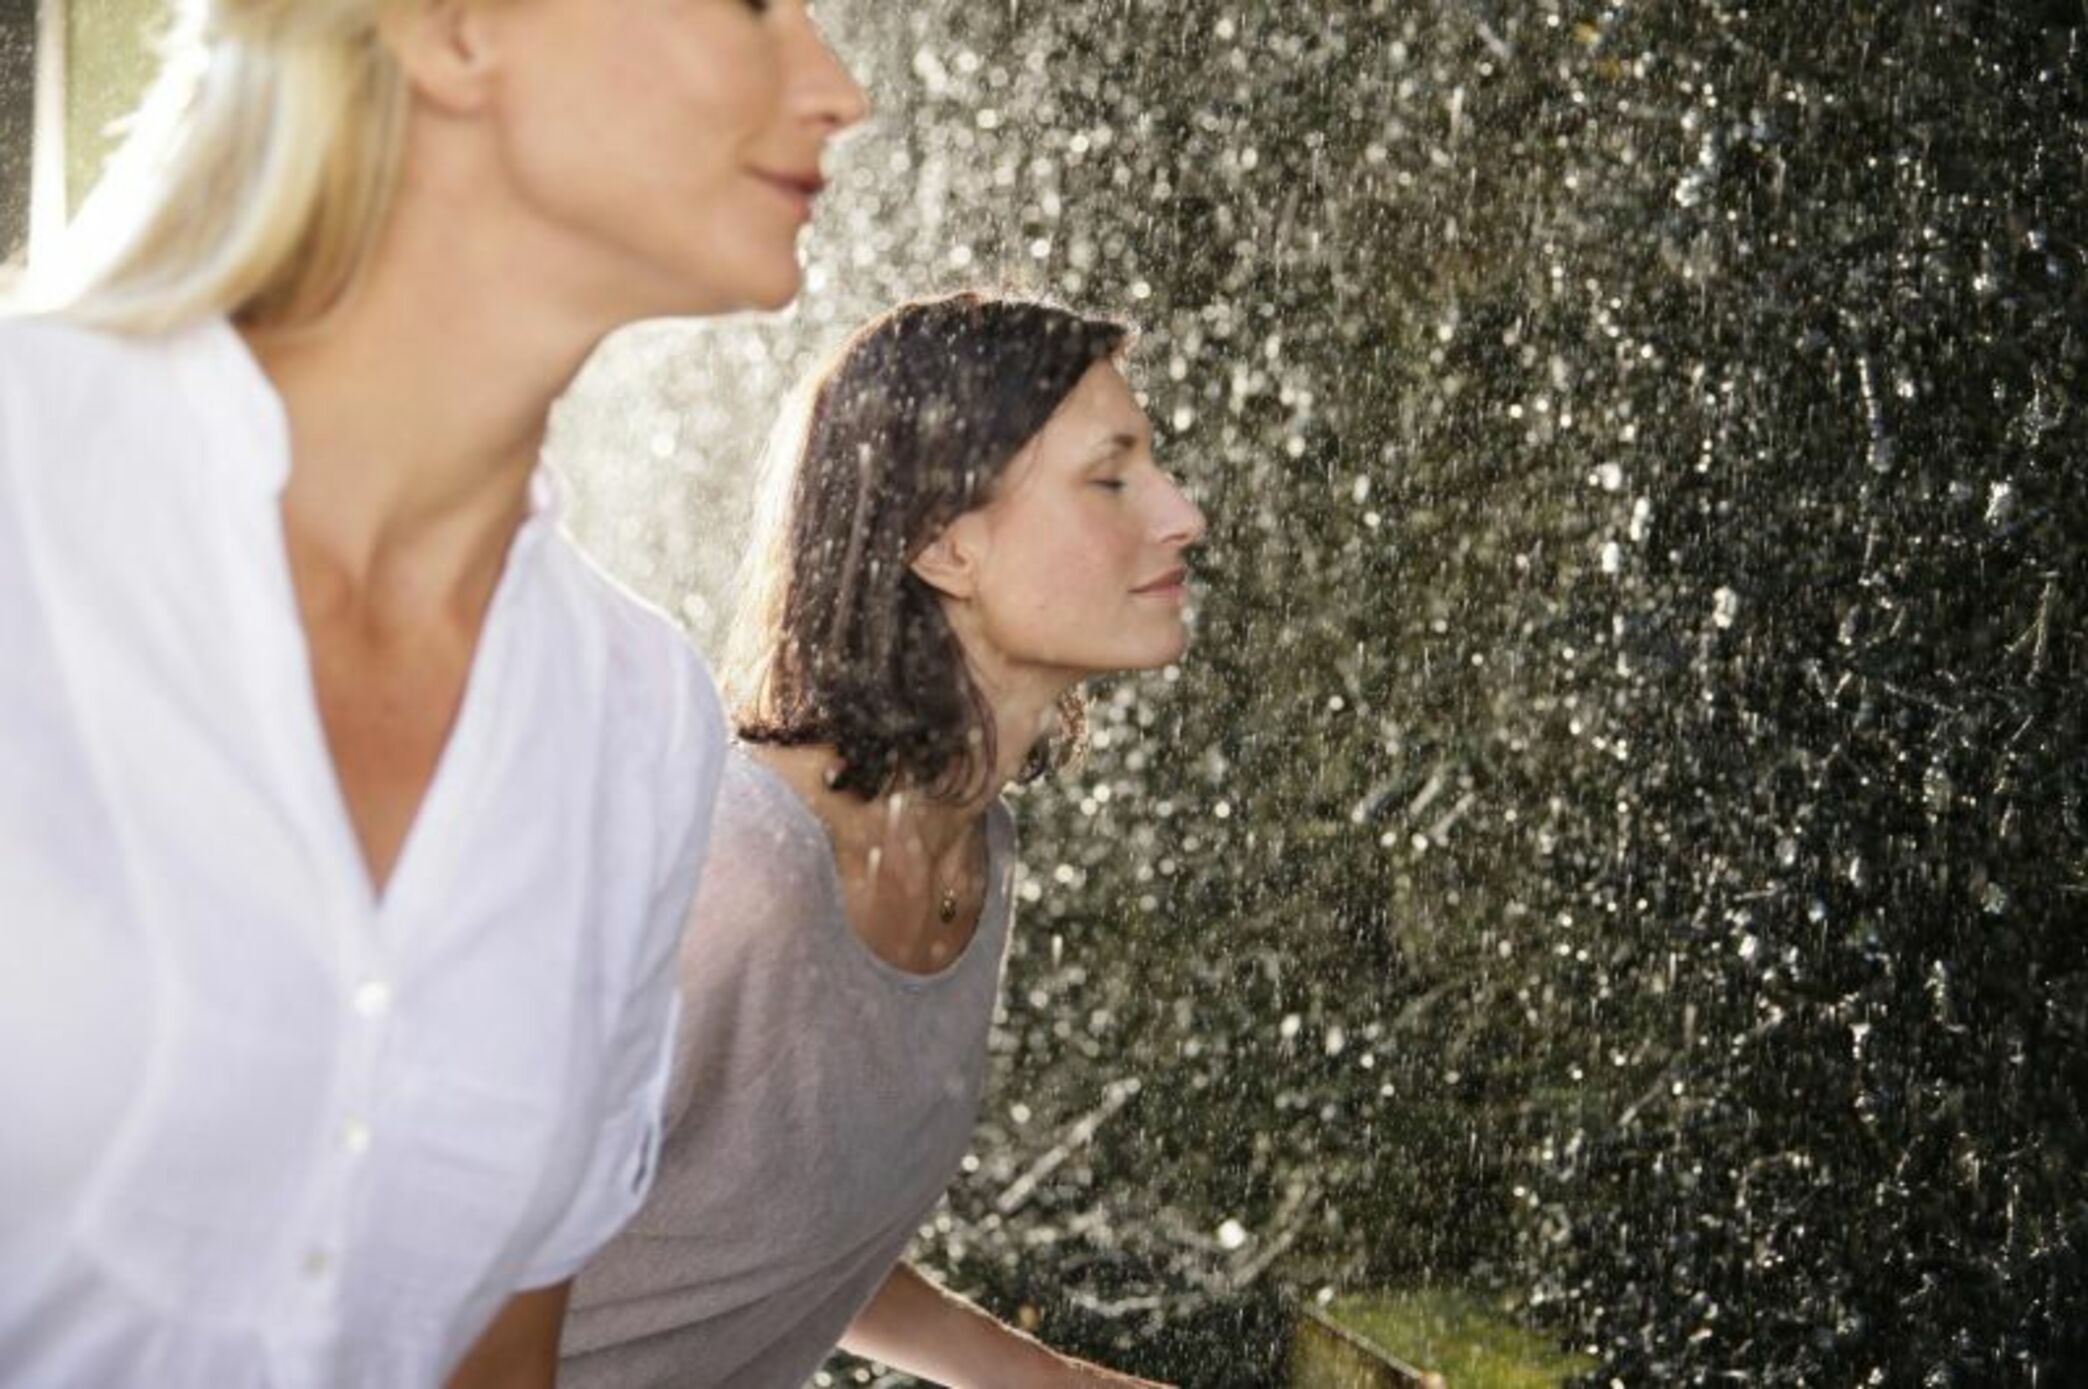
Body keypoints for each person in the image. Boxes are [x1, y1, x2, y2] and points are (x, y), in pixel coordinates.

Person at [0, 2, 864, 1385]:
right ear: (453, 32)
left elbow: (496, 1355)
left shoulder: (639, 720)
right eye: (756, 8)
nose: (841, 91)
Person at [560, 292, 1208, 1388]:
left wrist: (1043, 1380)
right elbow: (432, 1252)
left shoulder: (972, 851)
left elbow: (745, 1230)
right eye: (1111, 479)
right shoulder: (735, 871)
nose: (1181, 513)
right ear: (943, 545)